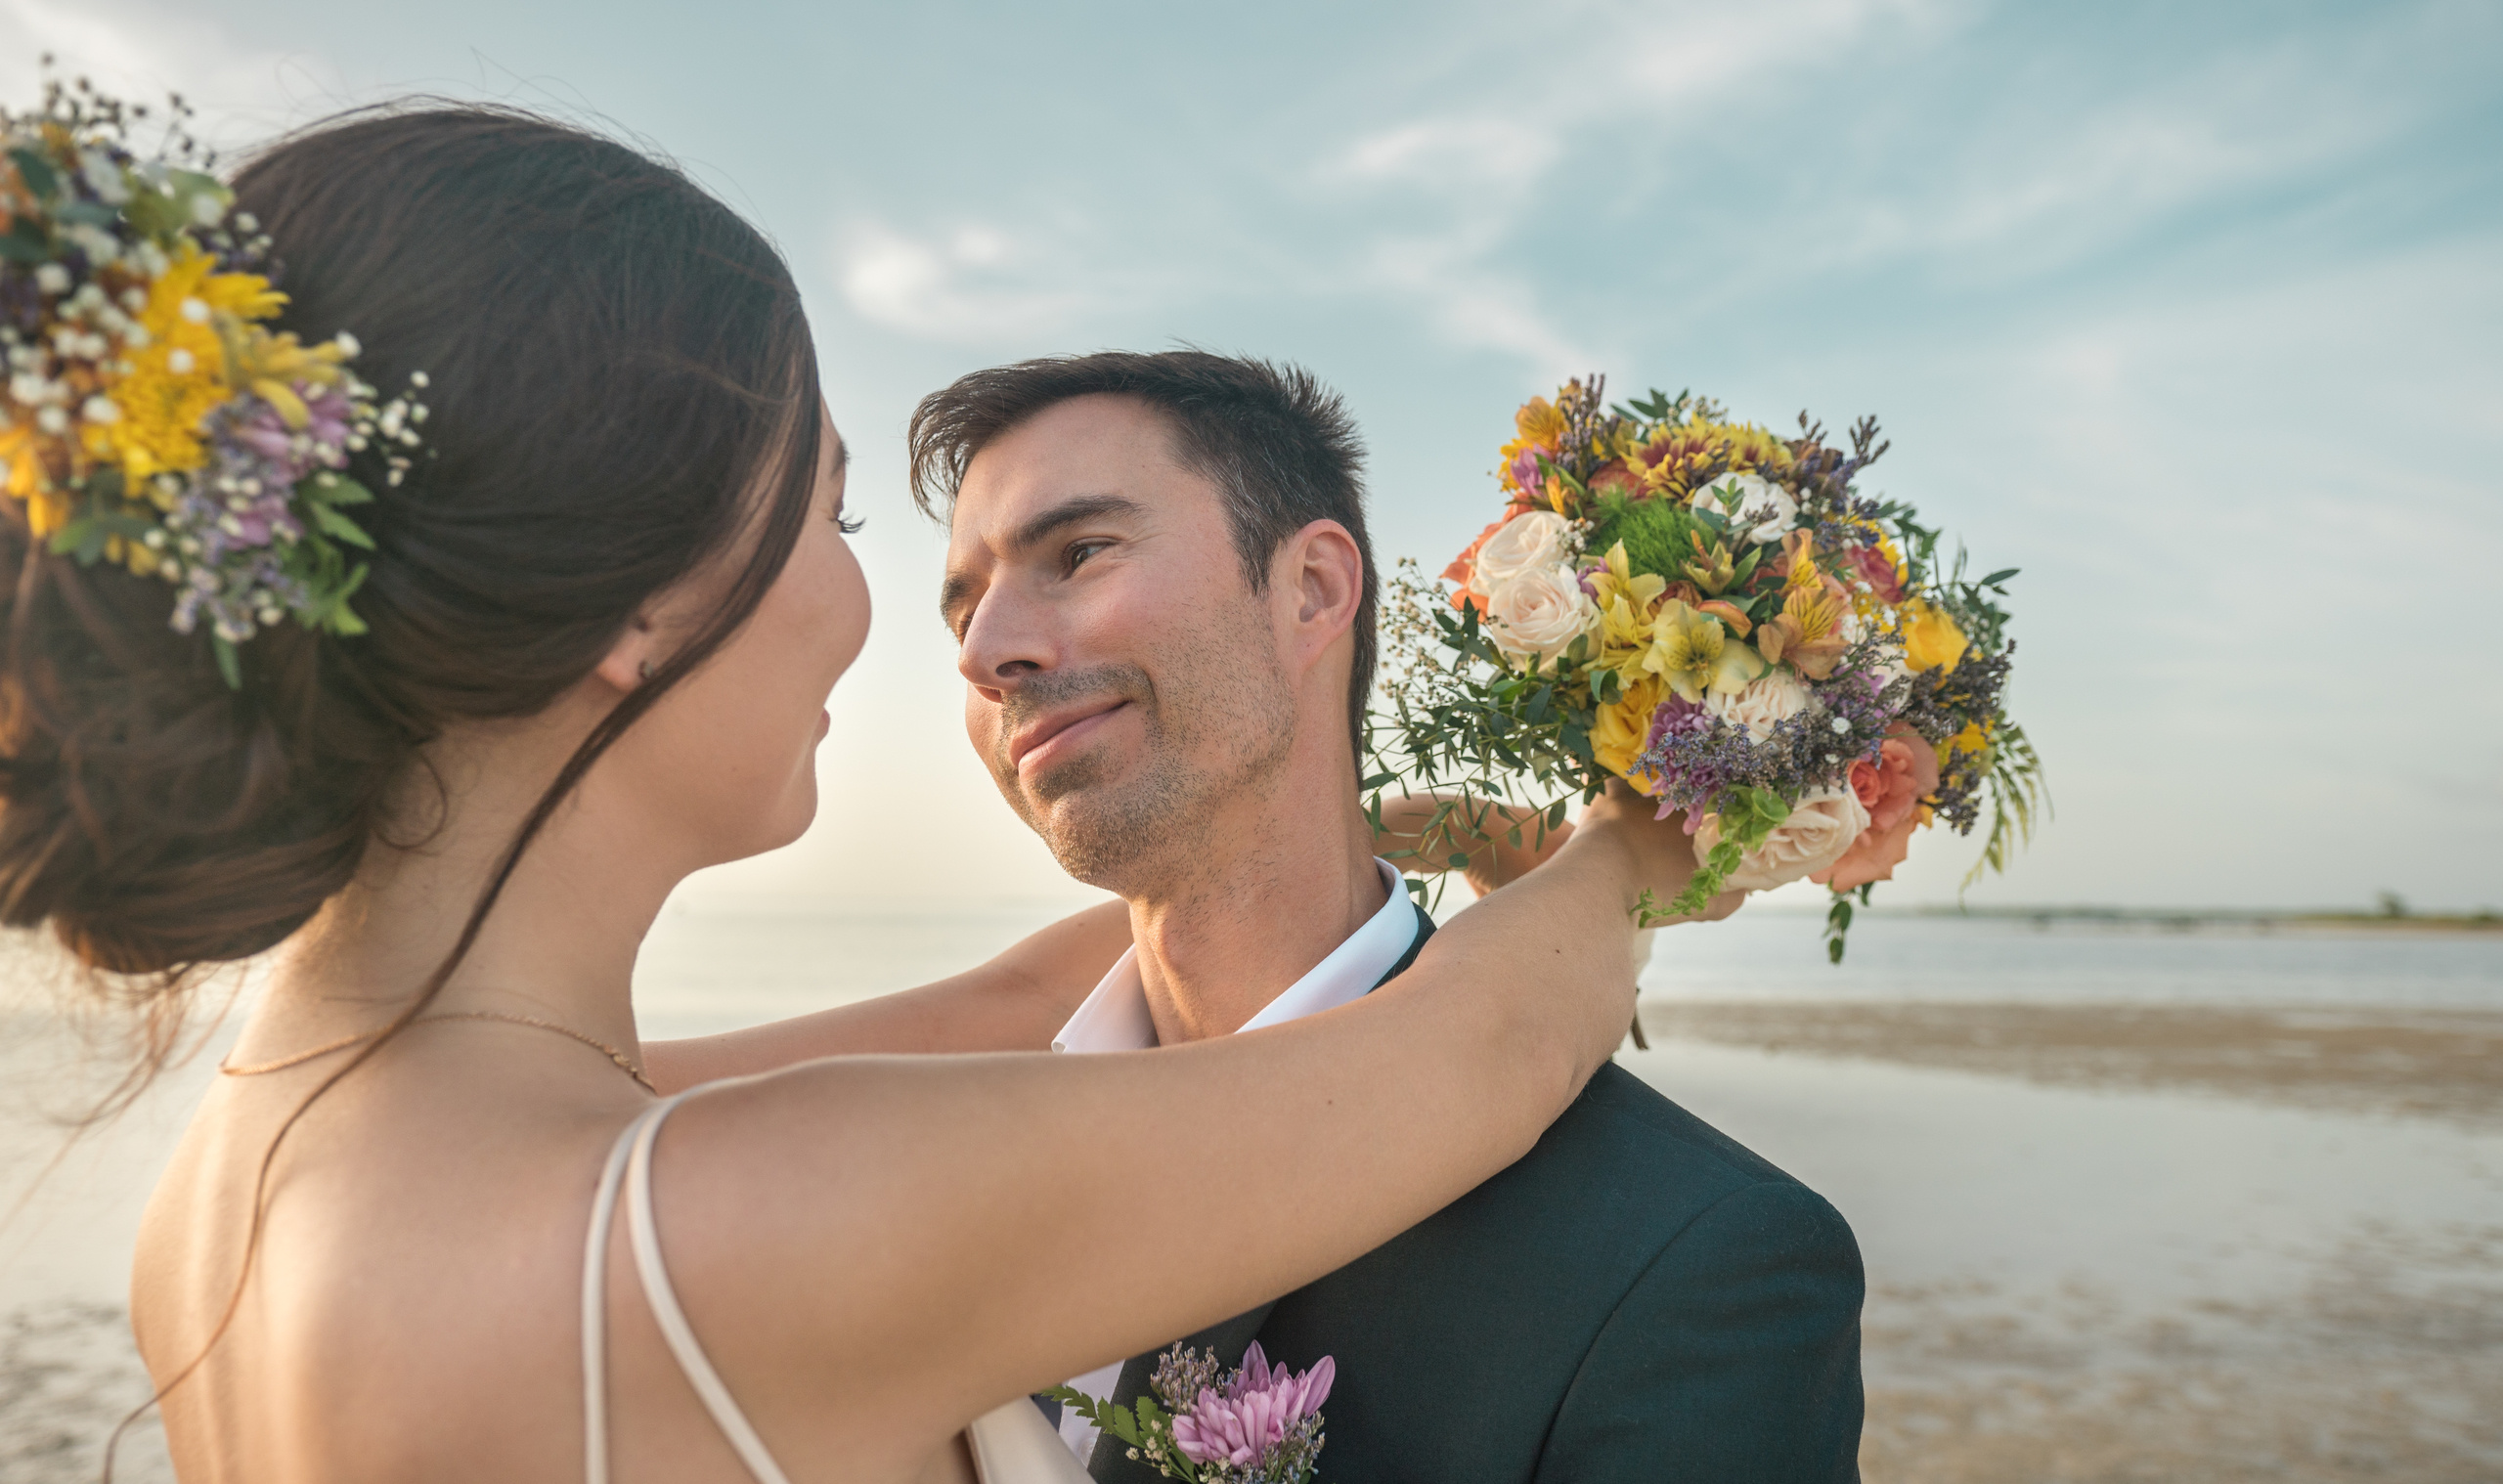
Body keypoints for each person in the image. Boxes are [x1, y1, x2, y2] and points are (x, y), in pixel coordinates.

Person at [0, 106, 1723, 1484]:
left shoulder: (269, 1147)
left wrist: (1373, 820)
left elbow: (1001, 1001)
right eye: (828, 518)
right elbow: (1481, 1048)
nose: (936, 637)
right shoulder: (726, 1224)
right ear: (638, 603)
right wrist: (1648, 827)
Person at [891, 351, 1867, 1482]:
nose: (984, 653)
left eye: (1078, 554)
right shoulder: (925, 1159)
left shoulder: (1694, 1259)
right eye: (962, 609)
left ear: (1309, 590)